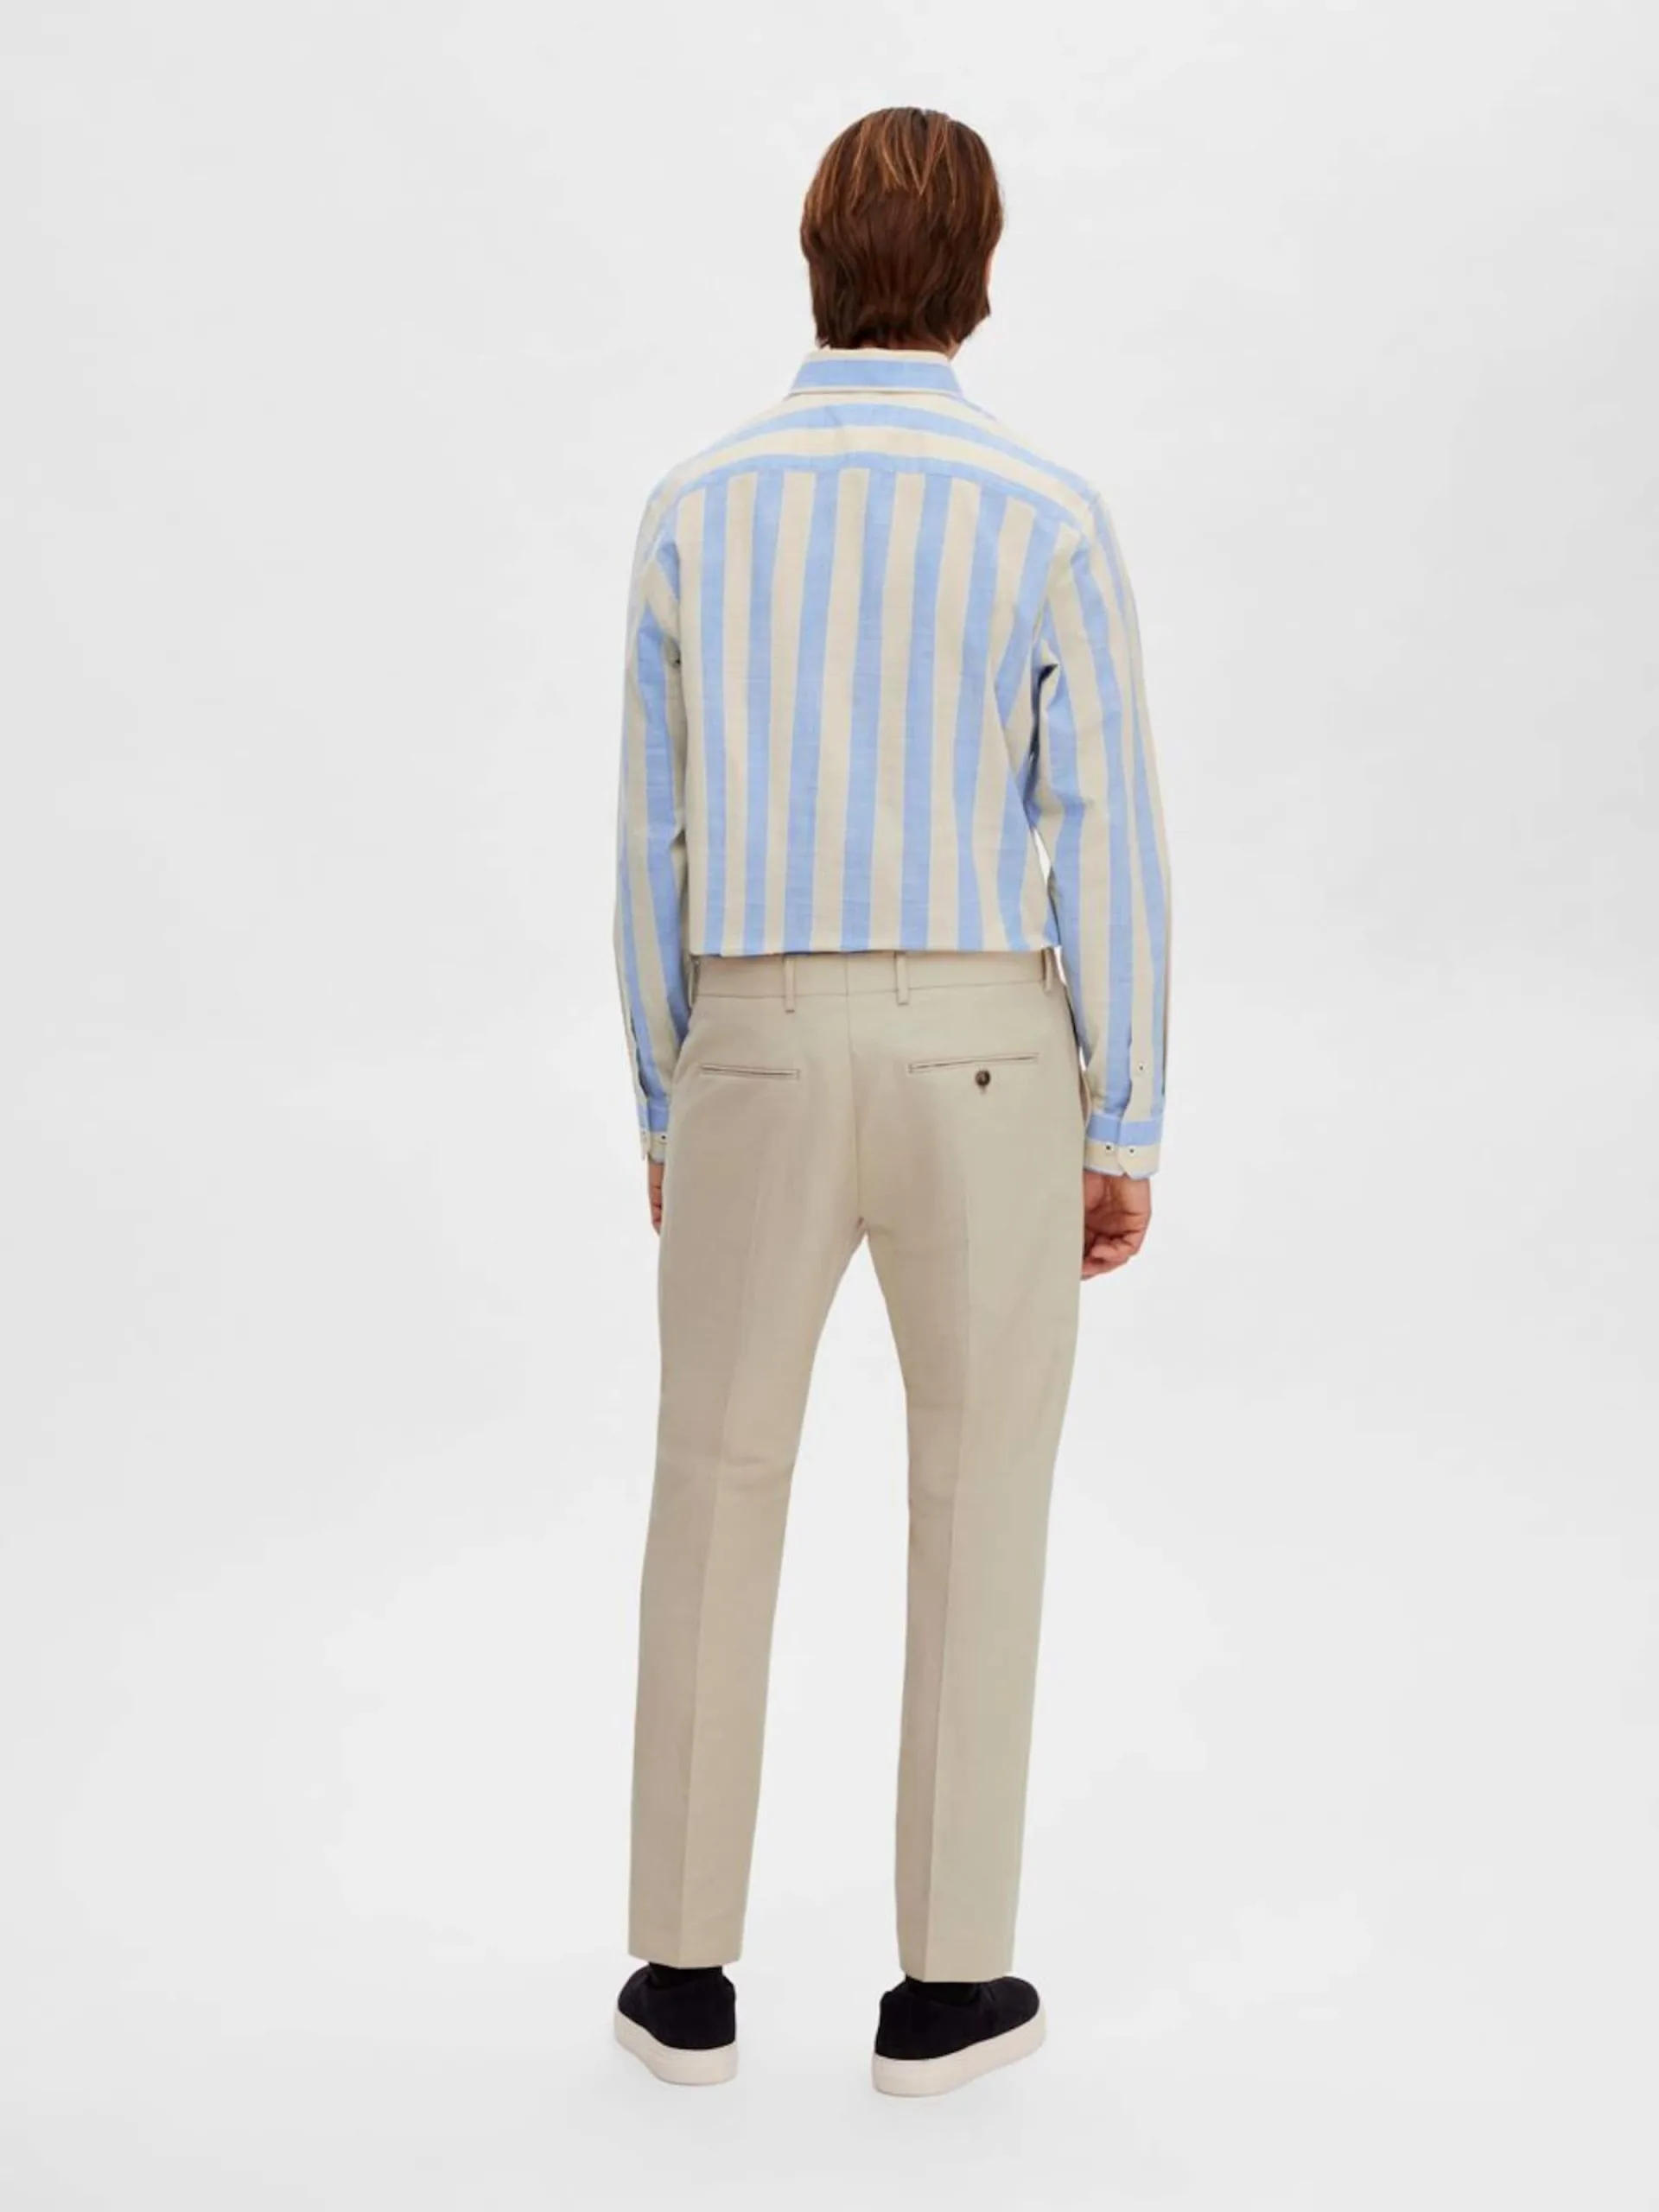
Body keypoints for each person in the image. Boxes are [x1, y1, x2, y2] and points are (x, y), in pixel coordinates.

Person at [609, 105, 1172, 2097]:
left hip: (755, 1032)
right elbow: (1103, 830)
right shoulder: (1046, 513)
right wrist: (1124, 1121)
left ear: (813, 255)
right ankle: (946, 1992)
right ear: (982, 273)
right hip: (988, 1051)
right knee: (978, 1486)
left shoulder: (696, 505)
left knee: (715, 1476)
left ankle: (681, 1977)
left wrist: (671, 1093)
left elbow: (655, 838)